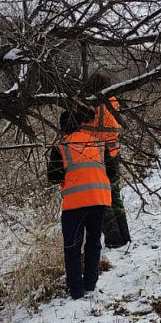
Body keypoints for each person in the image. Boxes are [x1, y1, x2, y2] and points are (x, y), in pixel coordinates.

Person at [47, 106, 117, 299]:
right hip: (99, 200)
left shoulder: (60, 148)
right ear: (80, 125)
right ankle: (90, 284)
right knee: (94, 243)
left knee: (72, 247)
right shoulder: (98, 144)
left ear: (62, 128)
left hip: (75, 204)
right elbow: (112, 172)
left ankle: (76, 290)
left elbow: (53, 177)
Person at [84, 71, 131, 248]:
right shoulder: (113, 102)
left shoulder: (92, 106)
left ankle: (113, 239)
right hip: (113, 153)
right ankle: (124, 236)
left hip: (98, 155)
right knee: (115, 195)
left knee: (102, 198)